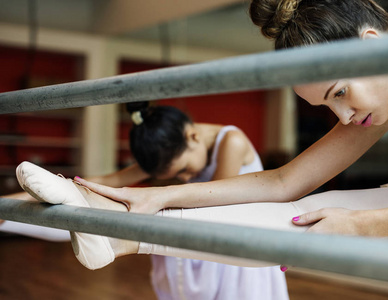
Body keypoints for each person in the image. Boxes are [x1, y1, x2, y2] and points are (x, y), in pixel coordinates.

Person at [12, 0, 388, 299]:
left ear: (370, 46)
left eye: (338, 92)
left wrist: (362, 225)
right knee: (313, 215)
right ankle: (121, 234)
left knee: (343, 222)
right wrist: (159, 196)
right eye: (329, 105)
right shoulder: (387, 96)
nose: (344, 116)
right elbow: (284, 181)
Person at [4, 103, 290, 300]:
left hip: (229, 242)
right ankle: (7, 215)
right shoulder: (164, 151)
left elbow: (216, 201)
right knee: (90, 205)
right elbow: (107, 181)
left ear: (193, 136)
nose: (185, 178)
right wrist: (12, 201)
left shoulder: (232, 140)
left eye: (183, 170)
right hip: (196, 233)